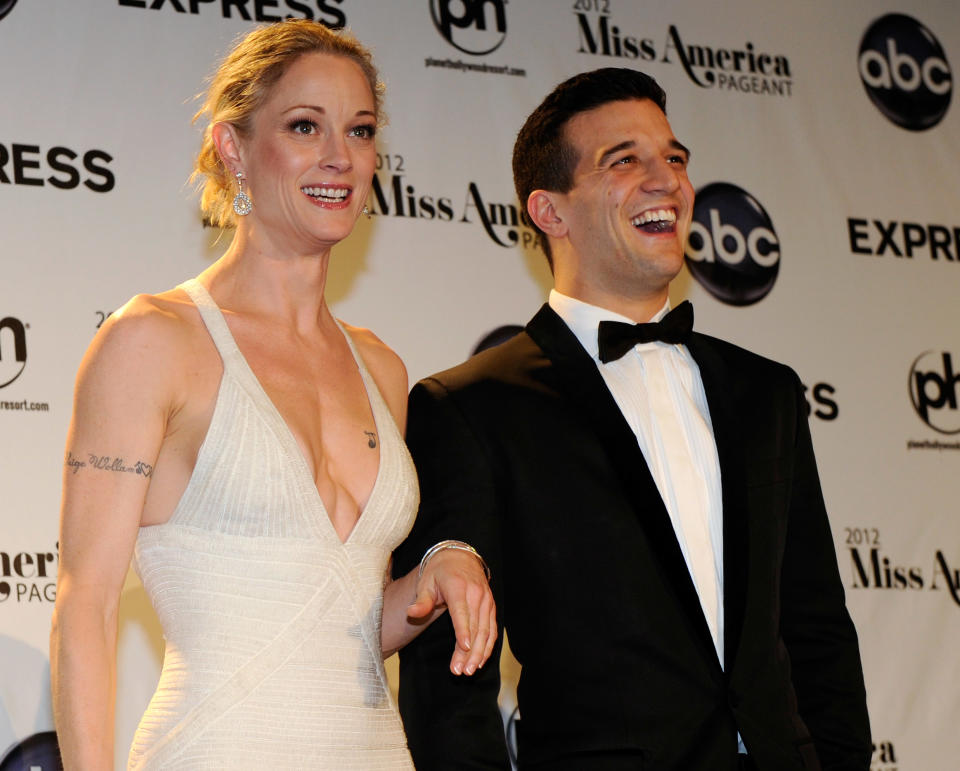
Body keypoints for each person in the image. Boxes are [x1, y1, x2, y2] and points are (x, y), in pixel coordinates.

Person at [393, 67, 871, 770]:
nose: (667, 180)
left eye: (674, 159)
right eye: (626, 161)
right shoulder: (468, 408)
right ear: (549, 211)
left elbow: (816, 625)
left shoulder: (766, 393)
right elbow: (448, 681)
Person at [49, 20, 495, 770]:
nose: (339, 158)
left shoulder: (381, 366)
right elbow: (84, 604)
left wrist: (437, 575)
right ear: (233, 149)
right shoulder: (154, 339)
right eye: (303, 126)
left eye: (359, 130)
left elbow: (344, 623)